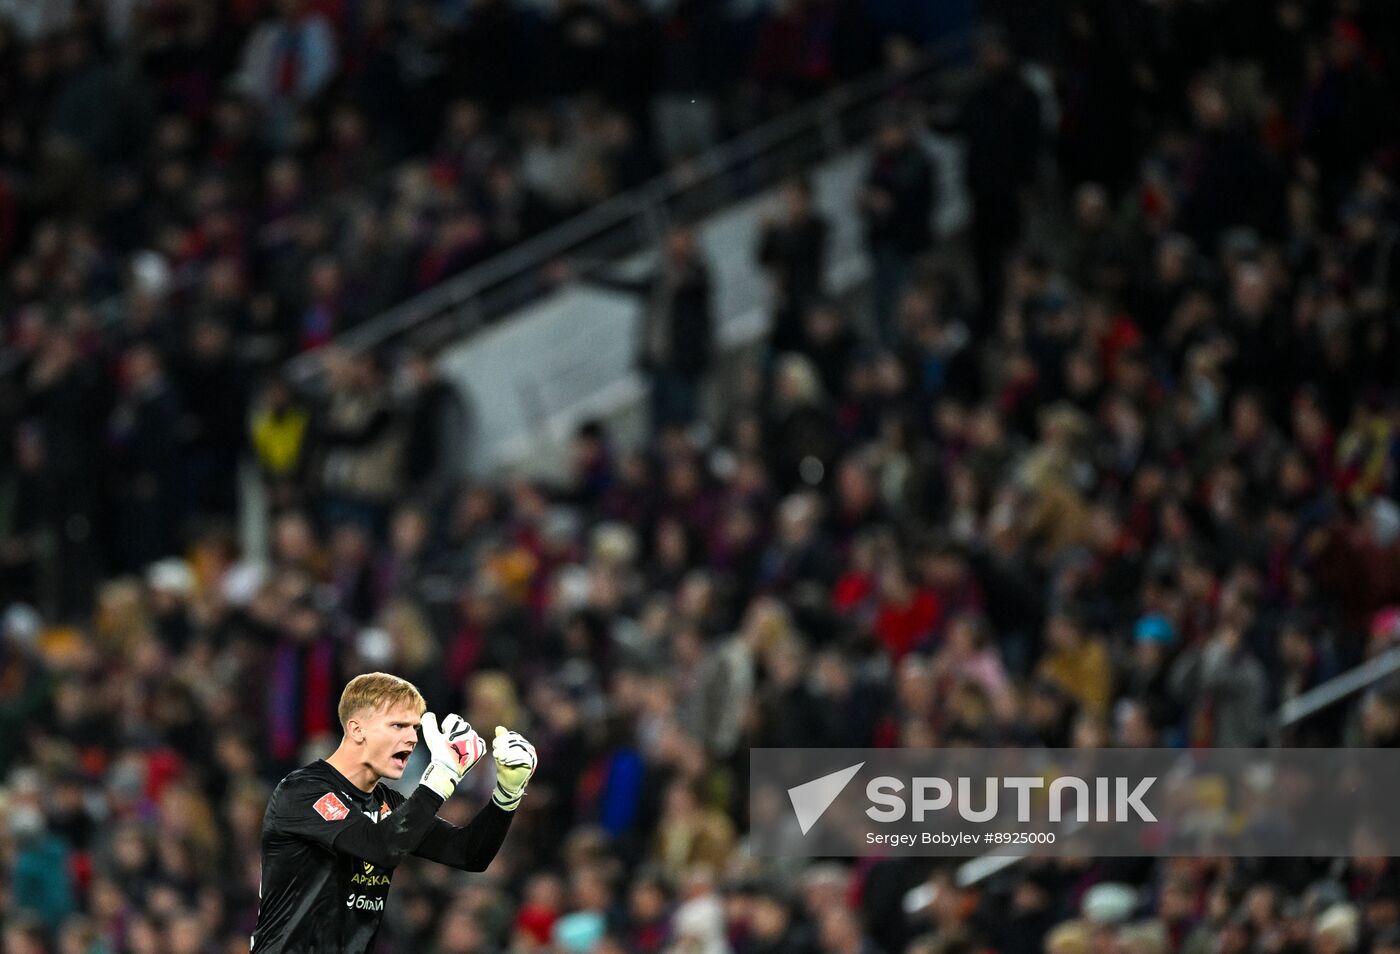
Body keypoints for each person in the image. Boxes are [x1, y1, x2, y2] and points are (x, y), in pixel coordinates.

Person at [251, 672, 539, 953]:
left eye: (414, 728)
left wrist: (506, 795)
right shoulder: (302, 791)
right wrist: (443, 774)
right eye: (398, 726)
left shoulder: (387, 802)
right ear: (356, 729)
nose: (412, 739)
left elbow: (468, 854)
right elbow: (380, 847)